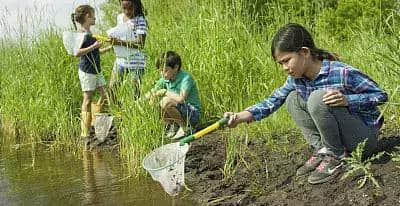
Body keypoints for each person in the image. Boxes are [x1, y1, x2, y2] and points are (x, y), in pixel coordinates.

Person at [224, 23, 388, 184]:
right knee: (292, 99)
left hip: (362, 139)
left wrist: (348, 100)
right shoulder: (295, 80)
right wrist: (240, 117)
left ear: (304, 52)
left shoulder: (342, 72)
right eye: (280, 63)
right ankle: (323, 150)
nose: (284, 68)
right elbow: (273, 101)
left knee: (317, 98)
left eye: (287, 60)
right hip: (342, 138)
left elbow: (381, 95)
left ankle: (336, 156)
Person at [71, 5, 111, 139]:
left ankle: (93, 119)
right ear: (87, 16)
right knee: (87, 100)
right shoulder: (81, 34)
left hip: (96, 70)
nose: (95, 18)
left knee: (105, 95)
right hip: (87, 71)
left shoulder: (91, 34)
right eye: (93, 15)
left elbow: (95, 51)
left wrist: (106, 48)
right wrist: (94, 46)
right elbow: (77, 53)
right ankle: (85, 132)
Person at [145, 51, 202, 140]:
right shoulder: (165, 79)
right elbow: (152, 92)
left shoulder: (186, 78)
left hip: (192, 113)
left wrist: (165, 92)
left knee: (165, 101)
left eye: (165, 70)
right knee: (153, 101)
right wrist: (138, 102)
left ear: (175, 67)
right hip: (180, 111)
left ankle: (185, 127)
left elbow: (181, 99)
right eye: (160, 71)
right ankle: (174, 126)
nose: (162, 74)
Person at [108, 0, 148, 102]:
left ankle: (134, 113)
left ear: (136, 6)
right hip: (121, 59)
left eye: (130, 8)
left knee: (134, 91)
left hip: (136, 61)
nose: (127, 11)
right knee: (112, 87)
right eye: (124, 8)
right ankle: (117, 113)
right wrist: (112, 41)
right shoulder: (120, 17)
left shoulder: (140, 20)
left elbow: (140, 44)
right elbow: (120, 33)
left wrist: (120, 42)